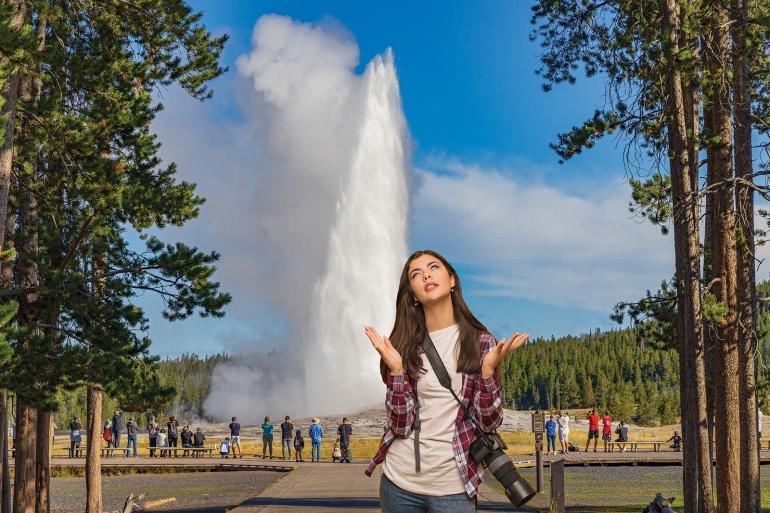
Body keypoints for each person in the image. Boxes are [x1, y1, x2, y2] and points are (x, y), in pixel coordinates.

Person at [363, 250, 528, 512]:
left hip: (454, 487)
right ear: (413, 295)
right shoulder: (405, 347)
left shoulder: (481, 342)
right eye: (416, 274)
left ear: (452, 279)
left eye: (433, 267)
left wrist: (487, 372)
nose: (426, 274)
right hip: (399, 484)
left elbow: (489, 422)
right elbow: (401, 425)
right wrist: (395, 371)